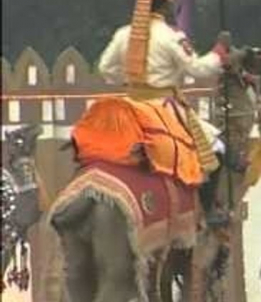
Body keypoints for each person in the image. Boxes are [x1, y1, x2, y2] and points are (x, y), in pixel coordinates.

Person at [96, 0, 231, 225]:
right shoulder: (171, 36)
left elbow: (105, 70)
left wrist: (132, 81)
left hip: (129, 106)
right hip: (162, 108)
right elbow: (197, 69)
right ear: (165, 6)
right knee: (216, 147)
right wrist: (219, 52)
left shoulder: (123, 34)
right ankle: (209, 211)